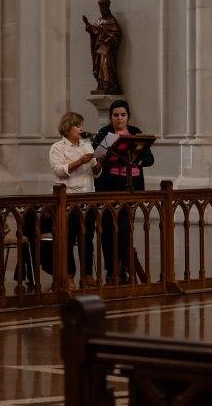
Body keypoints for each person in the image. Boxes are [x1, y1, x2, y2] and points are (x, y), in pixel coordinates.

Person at [92, 100, 154, 283]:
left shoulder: (135, 133)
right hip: (109, 186)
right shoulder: (104, 133)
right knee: (109, 228)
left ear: (128, 116)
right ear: (110, 117)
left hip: (131, 185)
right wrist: (102, 158)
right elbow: (96, 159)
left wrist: (137, 160)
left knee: (126, 229)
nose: (119, 118)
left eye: (123, 115)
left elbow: (149, 159)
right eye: (116, 115)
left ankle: (124, 267)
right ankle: (112, 269)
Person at [49, 111, 100, 288]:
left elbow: (96, 172)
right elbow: (59, 171)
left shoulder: (87, 145)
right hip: (68, 200)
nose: (81, 129)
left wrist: (100, 160)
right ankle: (69, 275)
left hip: (88, 197)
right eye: (78, 125)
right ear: (67, 127)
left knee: (87, 238)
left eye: (81, 125)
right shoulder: (57, 147)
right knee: (69, 239)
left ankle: (86, 275)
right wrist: (79, 161)